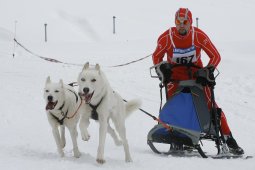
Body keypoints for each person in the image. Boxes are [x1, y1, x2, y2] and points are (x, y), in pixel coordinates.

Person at [152, 8, 244, 155]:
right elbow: (156, 57)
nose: (181, 25)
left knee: (210, 104)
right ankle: (177, 138)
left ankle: (228, 138)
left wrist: (207, 70)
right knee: (174, 105)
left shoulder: (198, 36)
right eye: (178, 22)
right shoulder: (167, 37)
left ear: (191, 22)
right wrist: (163, 68)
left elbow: (216, 56)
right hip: (175, 78)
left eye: (185, 22)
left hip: (196, 76)